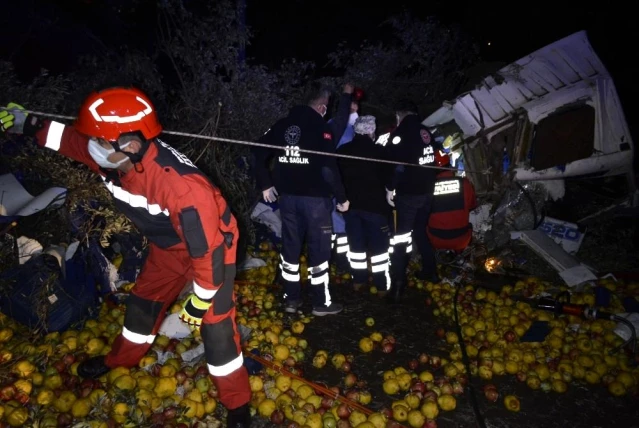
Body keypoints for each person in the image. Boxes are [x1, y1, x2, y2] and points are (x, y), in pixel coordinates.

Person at [0, 88, 252, 427]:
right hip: (168, 248)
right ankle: (120, 361)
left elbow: (207, 251)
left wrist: (200, 298)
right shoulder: (113, 156)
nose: (91, 147)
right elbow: (70, 140)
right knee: (142, 306)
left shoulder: (182, 188)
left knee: (217, 328)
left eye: (99, 142)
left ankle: (237, 404)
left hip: (214, 249)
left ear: (131, 144)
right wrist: (28, 124)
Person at [252, 82, 353, 316]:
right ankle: (321, 303)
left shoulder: (281, 125)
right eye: (326, 107)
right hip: (315, 201)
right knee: (319, 251)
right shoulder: (321, 127)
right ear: (321, 106)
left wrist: (265, 182)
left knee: (291, 248)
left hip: (288, 199)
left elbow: (257, 149)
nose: (326, 111)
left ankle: (291, 299)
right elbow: (329, 168)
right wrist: (342, 197)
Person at [384, 100, 439, 303]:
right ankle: (430, 271)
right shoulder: (426, 132)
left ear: (400, 114)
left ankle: (398, 284)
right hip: (427, 193)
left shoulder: (401, 133)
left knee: (400, 239)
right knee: (420, 231)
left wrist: (390, 188)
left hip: (409, 194)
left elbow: (396, 165)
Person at [336, 115, 392, 295]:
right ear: (372, 131)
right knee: (379, 250)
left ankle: (358, 281)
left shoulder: (343, 151)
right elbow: (389, 178)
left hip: (351, 209)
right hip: (375, 208)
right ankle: (381, 285)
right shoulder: (379, 152)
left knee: (356, 247)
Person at [330, 98, 360, 269]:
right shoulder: (337, 127)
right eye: (352, 107)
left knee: (341, 222)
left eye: (356, 106)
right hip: (338, 179)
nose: (355, 109)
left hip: (348, 180)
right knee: (338, 222)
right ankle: (340, 261)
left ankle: (339, 260)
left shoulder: (354, 127)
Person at [427, 150, 477, 251]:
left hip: (436, 240)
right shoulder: (465, 183)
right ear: (449, 165)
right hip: (461, 240)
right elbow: (472, 205)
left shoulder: (427, 188)